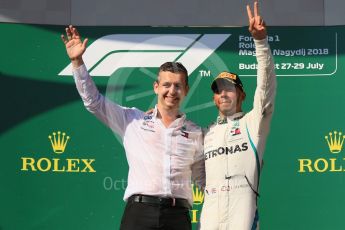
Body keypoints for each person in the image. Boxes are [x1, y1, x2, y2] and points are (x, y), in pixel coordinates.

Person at [61, 26, 204, 230]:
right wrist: (77, 62)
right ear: (156, 87)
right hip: (139, 213)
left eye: (178, 86)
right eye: (166, 85)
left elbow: (204, 179)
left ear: (186, 90)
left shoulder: (195, 132)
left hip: (178, 216)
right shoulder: (132, 119)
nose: (172, 91)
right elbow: (94, 102)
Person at [199, 1, 276, 230]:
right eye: (218, 90)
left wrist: (260, 42)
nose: (223, 94)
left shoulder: (253, 123)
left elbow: (266, 88)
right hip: (210, 214)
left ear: (241, 94)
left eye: (229, 88)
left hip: (242, 214)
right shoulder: (206, 133)